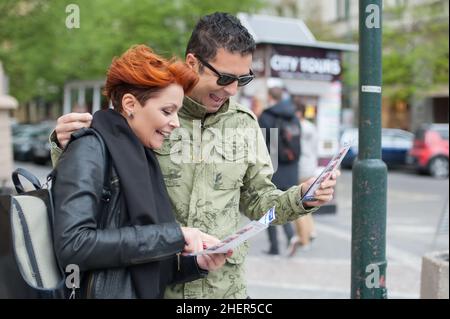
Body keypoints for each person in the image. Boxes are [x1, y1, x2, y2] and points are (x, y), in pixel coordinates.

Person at [51, 12, 339, 299]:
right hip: (158, 287)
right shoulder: (145, 120)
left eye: (243, 79)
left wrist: (302, 196)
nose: (232, 89)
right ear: (193, 63)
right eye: (225, 77)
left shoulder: (245, 123)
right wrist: (65, 145)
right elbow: (96, 190)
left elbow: (258, 200)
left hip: (225, 290)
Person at [51, 45, 230, 299]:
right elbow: (73, 246)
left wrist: (196, 263)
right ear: (130, 104)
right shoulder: (90, 148)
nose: (175, 123)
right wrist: (175, 236)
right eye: (167, 111)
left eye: (177, 112)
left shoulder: (142, 157)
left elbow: (144, 262)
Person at [258, 79, 298, 255]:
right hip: (291, 169)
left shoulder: (267, 116)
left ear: (269, 97)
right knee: (283, 205)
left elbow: (261, 145)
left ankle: (274, 246)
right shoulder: (293, 115)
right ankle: (291, 237)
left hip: (272, 169)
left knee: (269, 207)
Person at [288, 100, 319, 256]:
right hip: (310, 167)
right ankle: (311, 230)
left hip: (299, 167)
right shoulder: (311, 127)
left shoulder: (295, 127)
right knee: (306, 200)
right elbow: (315, 148)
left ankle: (304, 237)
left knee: (297, 202)